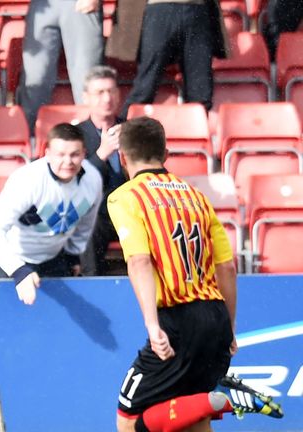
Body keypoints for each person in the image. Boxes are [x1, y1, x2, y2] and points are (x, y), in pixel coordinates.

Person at [109, 117, 283, 432]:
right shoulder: (196, 197)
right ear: (166, 153)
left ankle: (225, 400)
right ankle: (210, 402)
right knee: (192, 422)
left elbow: (139, 261)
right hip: (214, 317)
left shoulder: (127, 196)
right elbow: (227, 267)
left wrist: (152, 324)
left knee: (130, 422)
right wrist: (229, 326)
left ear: (122, 157)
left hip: (176, 321)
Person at [0, 123, 103, 304]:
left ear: (84, 153)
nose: (67, 162)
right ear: (47, 154)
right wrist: (18, 270)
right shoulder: (27, 180)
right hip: (9, 259)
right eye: (60, 155)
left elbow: (86, 222)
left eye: (75, 155)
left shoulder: (93, 180)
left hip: (53, 258)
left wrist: (73, 254)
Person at [106, 0, 229, 117]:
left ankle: (195, 135)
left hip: (197, 9)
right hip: (159, 10)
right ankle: (120, 131)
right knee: (145, 87)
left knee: (200, 91)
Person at [17, 0, 103, 130]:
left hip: (80, 4)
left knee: (86, 78)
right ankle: (31, 141)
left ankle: (94, 138)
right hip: (43, 4)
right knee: (35, 78)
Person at [77, 66, 125, 276]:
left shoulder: (133, 130)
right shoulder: (76, 135)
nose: (107, 98)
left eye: (111, 91)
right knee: (90, 225)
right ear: (86, 97)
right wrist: (101, 154)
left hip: (132, 209)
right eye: (99, 93)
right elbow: (73, 180)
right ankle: (91, 285)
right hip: (97, 211)